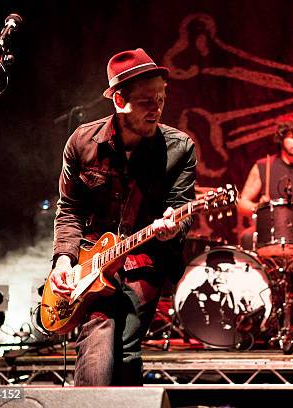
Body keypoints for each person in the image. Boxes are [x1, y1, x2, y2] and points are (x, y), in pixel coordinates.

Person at [48, 48, 197, 385]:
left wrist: (170, 229)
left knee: (127, 343)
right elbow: (69, 208)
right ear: (118, 100)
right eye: (146, 100)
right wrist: (63, 261)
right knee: (97, 331)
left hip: (145, 255)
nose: (156, 108)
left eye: (160, 98)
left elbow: (182, 209)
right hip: (91, 255)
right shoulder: (82, 142)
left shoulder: (179, 148)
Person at [238, 117, 293, 249]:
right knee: (247, 236)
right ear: (281, 139)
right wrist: (259, 207)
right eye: (292, 137)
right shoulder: (264, 165)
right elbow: (242, 204)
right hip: (270, 233)